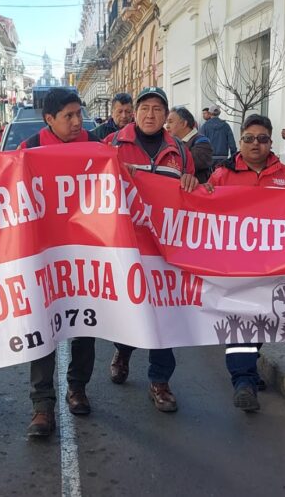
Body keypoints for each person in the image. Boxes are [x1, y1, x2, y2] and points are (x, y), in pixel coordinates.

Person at [104, 87, 199, 413]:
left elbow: (195, 194)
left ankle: (160, 382)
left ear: (166, 116)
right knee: (131, 309)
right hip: (126, 246)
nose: (150, 114)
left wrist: (193, 184)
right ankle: (123, 350)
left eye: (158, 109)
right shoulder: (113, 145)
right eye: (145, 107)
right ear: (135, 111)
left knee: (165, 315)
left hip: (165, 249)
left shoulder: (180, 152)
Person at [208, 114, 285, 411]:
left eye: (262, 139)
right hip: (236, 267)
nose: (256, 144)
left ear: (271, 142)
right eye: (249, 138)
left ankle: (249, 369)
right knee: (241, 323)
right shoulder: (222, 175)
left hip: (273, 267)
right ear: (240, 141)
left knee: (264, 321)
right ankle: (243, 382)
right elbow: (202, 209)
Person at [19, 88, 101, 437]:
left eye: (78, 114)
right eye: (68, 115)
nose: (76, 121)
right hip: (43, 255)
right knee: (43, 329)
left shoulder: (95, 146)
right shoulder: (27, 151)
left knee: (85, 326)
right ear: (48, 119)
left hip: (85, 254)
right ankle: (42, 407)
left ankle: (77, 388)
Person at [167, 107, 214, 182]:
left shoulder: (202, 142)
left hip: (195, 191)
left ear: (183, 124)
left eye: (170, 122)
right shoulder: (174, 142)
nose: (167, 126)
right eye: (166, 122)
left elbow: (183, 164)